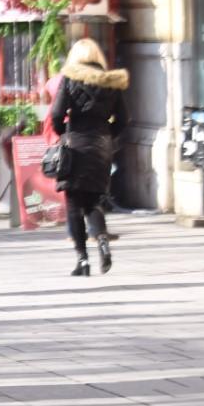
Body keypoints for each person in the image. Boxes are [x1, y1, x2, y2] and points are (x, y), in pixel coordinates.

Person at [50, 38, 129, 276]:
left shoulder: (70, 79)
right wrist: (108, 135)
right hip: (102, 146)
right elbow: (124, 119)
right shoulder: (111, 82)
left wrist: (64, 134)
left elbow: (56, 114)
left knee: (74, 205)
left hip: (76, 146)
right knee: (93, 201)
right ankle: (102, 241)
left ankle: (82, 260)